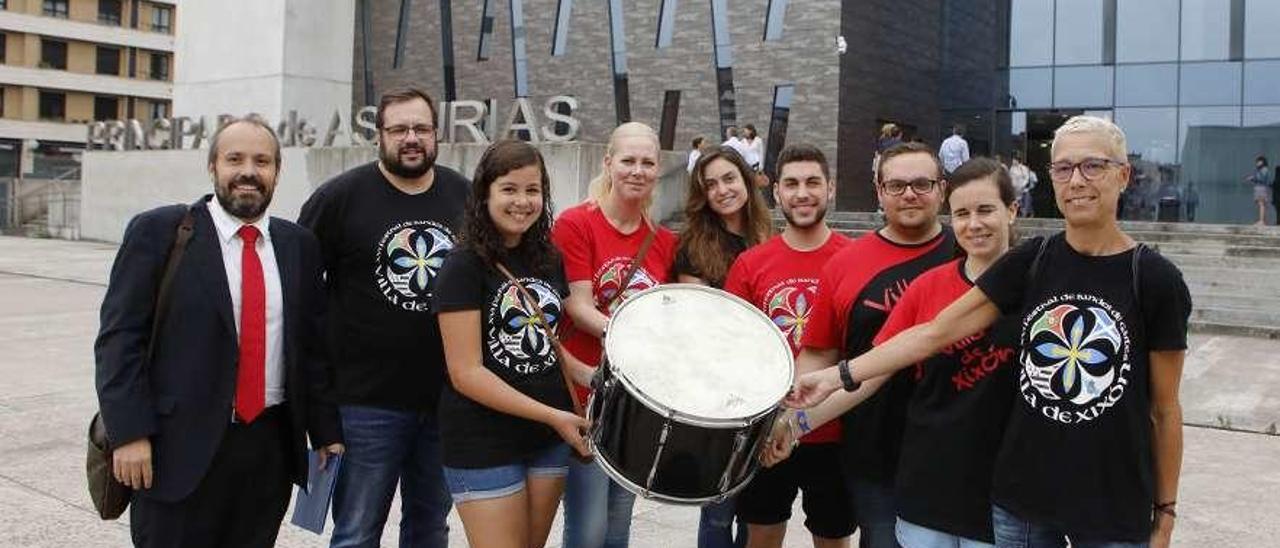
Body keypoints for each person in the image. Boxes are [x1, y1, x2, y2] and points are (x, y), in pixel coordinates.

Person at [790, 116, 1192, 548]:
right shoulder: (1032, 263)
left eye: (1093, 166)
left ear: (1123, 175)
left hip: (1113, 505)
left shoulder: (1153, 279)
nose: (1076, 180)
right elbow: (931, 333)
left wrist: (1165, 511)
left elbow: (1164, 410)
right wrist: (832, 379)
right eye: (1063, 168)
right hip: (1025, 507)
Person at [95, 117, 344, 547]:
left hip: (267, 451)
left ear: (276, 173)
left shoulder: (298, 245)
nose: (248, 171)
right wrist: (129, 432)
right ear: (213, 166)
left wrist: (326, 433)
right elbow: (120, 340)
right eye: (235, 159)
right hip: (175, 449)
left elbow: (311, 350)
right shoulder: (161, 232)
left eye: (262, 161)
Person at [771, 157, 1022, 548]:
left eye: (986, 210)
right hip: (926, 474)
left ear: (1012, 210)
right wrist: (792, 425)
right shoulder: (928, 286)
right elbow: (872, 372)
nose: (974, 223)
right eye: (963, 213)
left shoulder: (1040, 278)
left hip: (1007, 481)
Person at [299, 87, 470, 548]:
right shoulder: (338, 198)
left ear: (437, 134)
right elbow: (300, 297)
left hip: (446, 403)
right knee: (356, 533)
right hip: (363, 406)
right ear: (379, 136)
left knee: (430, 529)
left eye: (420, 128)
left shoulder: (465, 196)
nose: (410, 138)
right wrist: (318, 410)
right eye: (399, 129)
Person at [776, 141, 956, 548]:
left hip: (959, 448)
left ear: (942, 189)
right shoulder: (845, 263)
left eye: (922, 183)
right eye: (896, 185)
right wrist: (790, 420)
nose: (909, 193)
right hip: (874, 452)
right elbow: (821, 352)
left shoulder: (967, 252)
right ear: (879, 192)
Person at [433, 140, 595, 548]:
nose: (522, 201)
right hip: (483, 439)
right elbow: (465, 373)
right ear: (484, 193)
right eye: (509, 189)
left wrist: (592, 377)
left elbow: (547, 343)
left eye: (533, 189)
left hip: (545, 441)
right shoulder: (462, 265)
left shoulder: (547, 257)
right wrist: (552, 416)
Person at [552, 122, 679, 547]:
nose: (637, 170)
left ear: (658, 169)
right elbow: (578, 305)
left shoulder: (663, 241)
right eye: (628, 160)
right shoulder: (576, 224)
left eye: (647, 162)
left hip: (636, 402)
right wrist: (631, 334)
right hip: (586, 393)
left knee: (619, 525)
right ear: (609, 163)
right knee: (587, 529)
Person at [723, 144, 854, 548]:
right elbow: (734, 346)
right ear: (776, 192)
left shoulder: (854, 257)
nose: (803, 193)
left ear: (830, 189)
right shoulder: (751, 263)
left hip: (835, 431)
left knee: (833, 537)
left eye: (813, 182)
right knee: (761, 534)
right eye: (792, 184)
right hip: (766, 429)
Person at [673, 145, 773, 548]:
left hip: (767, 389)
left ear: (746, 180)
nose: (721, 190)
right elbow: (698, 324)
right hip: (718, 395)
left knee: (758, 512)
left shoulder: (768, 238)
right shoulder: (694, 246)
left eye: (729, 179)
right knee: (718, 513)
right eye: (710, 184)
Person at [1245, 155, 1271, 226]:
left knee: (1261, 204)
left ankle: (1261, 221)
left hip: (1261, 188)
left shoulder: (1264, 169)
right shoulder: (1260, 170)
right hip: (1259, 188)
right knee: (1261, 205)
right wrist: (1252, 178)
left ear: (1262, 162)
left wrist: (1253, 178)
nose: (1257, 163)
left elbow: (1261, 179)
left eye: (1258, 161)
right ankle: (1263, 220)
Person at [1009, 154, 1032, 218]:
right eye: (1013, 160)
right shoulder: (1012, 168)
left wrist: (1023, 185)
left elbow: (1026, 177)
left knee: (1024, 202)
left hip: (1022, 188)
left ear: (1017, 160)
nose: (1013, 162)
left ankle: (1024, 214)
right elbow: (1010, 178)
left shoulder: (1023, 168)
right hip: (1015, 189)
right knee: (1015, 202)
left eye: (1014, 160)